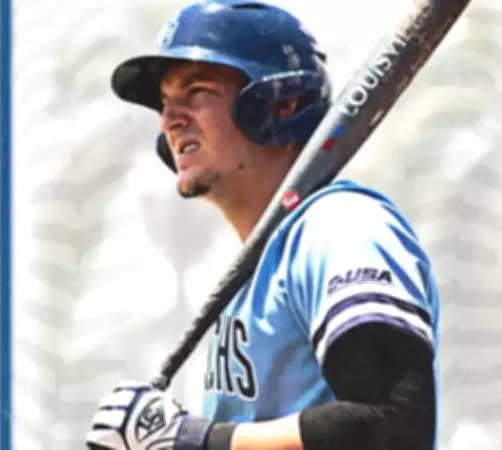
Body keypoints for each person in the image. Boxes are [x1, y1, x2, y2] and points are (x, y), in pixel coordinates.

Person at [86, 1, 440, 449]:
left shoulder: (340, 227)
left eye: (197, 91)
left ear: (282, 103)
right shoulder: (257, 270)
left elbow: (393, 424)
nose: (169, 121)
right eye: (165, 102)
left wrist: (195, 440)